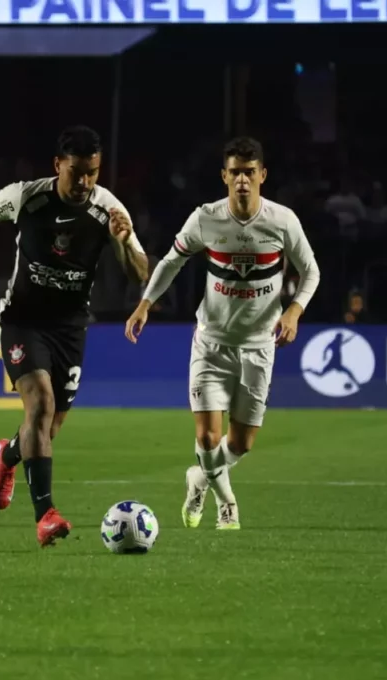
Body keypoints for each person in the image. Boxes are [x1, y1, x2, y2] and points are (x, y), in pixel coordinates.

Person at [0, 125, 149, 548]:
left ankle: (7, 455)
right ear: (58, 165)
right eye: (77, 172)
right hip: (22, 320)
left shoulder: (109, 209)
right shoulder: (26, 196)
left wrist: (124, 242)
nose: (85, 182)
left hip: (70, 329)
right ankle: (46, 516)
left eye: (93, 173)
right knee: (40, 404)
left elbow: (140, 274)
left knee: (47, 427)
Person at [124, 137, 320, 531]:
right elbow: (172, 261)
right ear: (224, 177)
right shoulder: (205, 219)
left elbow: (311, 271)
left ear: (262, 175)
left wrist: (294, 311)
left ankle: (199, 478)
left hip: (259, 346)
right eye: (235, 173)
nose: (242, 180)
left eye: (249, 172)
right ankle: (227, 503)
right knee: (208, 437)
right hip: (211, 343)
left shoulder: (283, 221)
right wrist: (145, 303)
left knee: (241, 443)